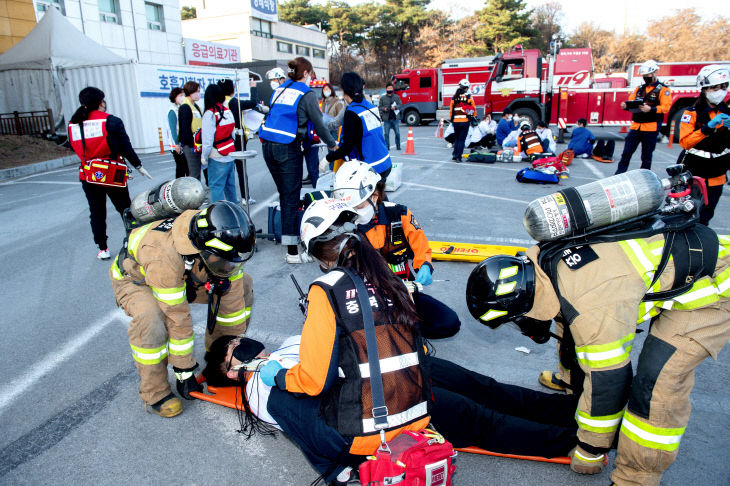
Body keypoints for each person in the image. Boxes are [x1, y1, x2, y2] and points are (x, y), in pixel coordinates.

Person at [466, 227, 730, 485]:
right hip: (674, 263)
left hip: (716, 286)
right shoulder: (542, 262)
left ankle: (636, 477)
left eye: (517, 319)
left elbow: (609, 384)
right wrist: (574, 394)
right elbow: (568, 331)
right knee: (576, 334)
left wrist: (590, 451)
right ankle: (576, 394)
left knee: (656, 381)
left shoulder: (591, 308)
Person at [204, 334, 581, 468]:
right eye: (233, 351)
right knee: (480, 419)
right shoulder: (258, 391)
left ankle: (581, 413)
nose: (241, 344)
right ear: (232, 373)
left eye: (237, 339)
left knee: (485, 387)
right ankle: (581, 440)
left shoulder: (286, 345)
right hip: (384, 402)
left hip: (398, 366)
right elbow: (311, 421)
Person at [258, 198, 431, 485]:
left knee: (279, 400)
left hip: (370, 435)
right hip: (417, 420)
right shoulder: (393, 279)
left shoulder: (326, 290)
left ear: (321, 255)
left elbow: (314, 381)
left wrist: (277, 375)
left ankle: (337, 470)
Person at [109, 201, 256, 417]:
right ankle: (156, 392)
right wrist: (184, 370)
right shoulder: (163, 254)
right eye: (223, 261)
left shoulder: (217, 236)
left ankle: (217, 356)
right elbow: (176, 318)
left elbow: (232, 305)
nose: (229, 267)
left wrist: (225, 358)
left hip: (187, 272)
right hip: (139, 280)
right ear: (205, 248)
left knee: (243, 284)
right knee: (151, 319)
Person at [333, 161, 461, 339]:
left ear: (375, 195)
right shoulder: (342, 227)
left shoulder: (399, 215)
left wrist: (424, 266)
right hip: (366, 299)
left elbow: (421, 248)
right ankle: (395, 332)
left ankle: (403, 332)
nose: (354, 212)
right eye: (350, 207)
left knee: (448, 322)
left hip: (402, 292)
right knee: (344, 333)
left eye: (359, 206)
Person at [259, 57, 338, 264]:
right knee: (290, 199)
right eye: (311, 74)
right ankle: (293, 252)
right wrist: (332, 144)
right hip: (287, 148)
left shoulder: (280, 90)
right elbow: (319, 124)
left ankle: (291, 246)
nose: (312, 78)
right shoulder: (306, 94)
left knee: (286, 196)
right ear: (305, 73)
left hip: (267, 146)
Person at [67, 86, 152, 260]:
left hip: (88, 173)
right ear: (100, 102)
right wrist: (138, 165)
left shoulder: (73, 124)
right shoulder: (111, 121)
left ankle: (102, 248)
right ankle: (133, 240)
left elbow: (75, 147)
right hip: (112, 172)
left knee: (97, 211)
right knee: (125, 208)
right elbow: (125, 147)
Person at [679, 64, 730, 226]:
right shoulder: (692, 112)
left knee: (707, 215)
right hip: (696, 173)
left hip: (718, 173)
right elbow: (685, 142)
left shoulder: (727, 112)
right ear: (705, 89)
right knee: (690, 213)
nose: (720, 91)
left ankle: (701, 245)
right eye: (715, 88)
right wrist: (707, 128)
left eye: (724, 86)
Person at [325, 72, 392, 182]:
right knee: (378, 197)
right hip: (384, 162)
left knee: (367, 198)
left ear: (344, 91)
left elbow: (347, 147)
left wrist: (328, 159)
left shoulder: (351, 112)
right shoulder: (370, 106)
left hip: (370, 168)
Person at [615, 60, 672, 174]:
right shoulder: (639, 88)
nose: (646, 77)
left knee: (646, 156)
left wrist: (651, 109)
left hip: (650, 128)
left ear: (655, 73)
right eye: (644, 75)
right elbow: (632, 100)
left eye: (648, 75)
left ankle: (645, 177)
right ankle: (619, 174)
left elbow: (665, 107)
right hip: (636, 126)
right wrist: (626, 105)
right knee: (626, 152)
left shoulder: (663, 89)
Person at [218, 77, 262, 204]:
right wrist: (253, 86)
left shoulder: (219, 104)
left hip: (224, 139)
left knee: (227, 170)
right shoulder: (233, 102)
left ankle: (229, 198)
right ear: (232, 89)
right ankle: (245, 197)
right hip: (238, 138)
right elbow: (253, 102)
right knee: (241, 168)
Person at [201, 84, 238, 203]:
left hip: (216, 155)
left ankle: (219, 216)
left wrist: (204, 157)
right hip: (230, 153)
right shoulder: (227, 111)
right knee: (230, 186)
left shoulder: (209, 114)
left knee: (216, 187)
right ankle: (235, 211)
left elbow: (207, 140)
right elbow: (233, 134)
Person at [177, 81, 204, 182]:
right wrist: (192, 146)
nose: (199, 94)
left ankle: (198, 193)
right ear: (190, 92)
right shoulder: (185, 107)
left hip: (198, 143)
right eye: (197, 91)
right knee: (194, 173)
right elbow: (185, 130)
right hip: (191, 145)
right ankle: (194, 195)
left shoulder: (196, 106)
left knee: (197, 171)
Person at [449, 79, 477, 161]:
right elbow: (473, 109)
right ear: (466, 88)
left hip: (456, 122)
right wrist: (473, 117)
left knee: (457, 138)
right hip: (464, 122)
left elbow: (451, 110)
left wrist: (452, 120)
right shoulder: (468, 97)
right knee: (462, 140)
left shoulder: (454, 97)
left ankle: (454, 154)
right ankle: (458, 157)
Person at [167, 87, 189, 178]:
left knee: (187, 167)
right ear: (174, 97)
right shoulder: (173, 111)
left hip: (183, 144)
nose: (183, 97)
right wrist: (177, 144)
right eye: (180, 95)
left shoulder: (181, 108)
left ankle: (188, 187)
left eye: (184, 95)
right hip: (177, 145)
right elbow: (173, 129)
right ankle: (178, 188)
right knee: (181, 168)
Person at [378, 81, 402, 151]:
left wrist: (396, 107)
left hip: (395, 118)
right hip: (386, 119)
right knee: (386, 134)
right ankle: (387, 147)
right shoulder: (382, 98)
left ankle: (398, 145)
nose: (390, 89)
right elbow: (380, 107)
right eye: (388, 88)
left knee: (397, 133)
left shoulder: (397, 97)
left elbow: (400, 105)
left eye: (391, 88)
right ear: (386, 89)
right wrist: (384, 109)